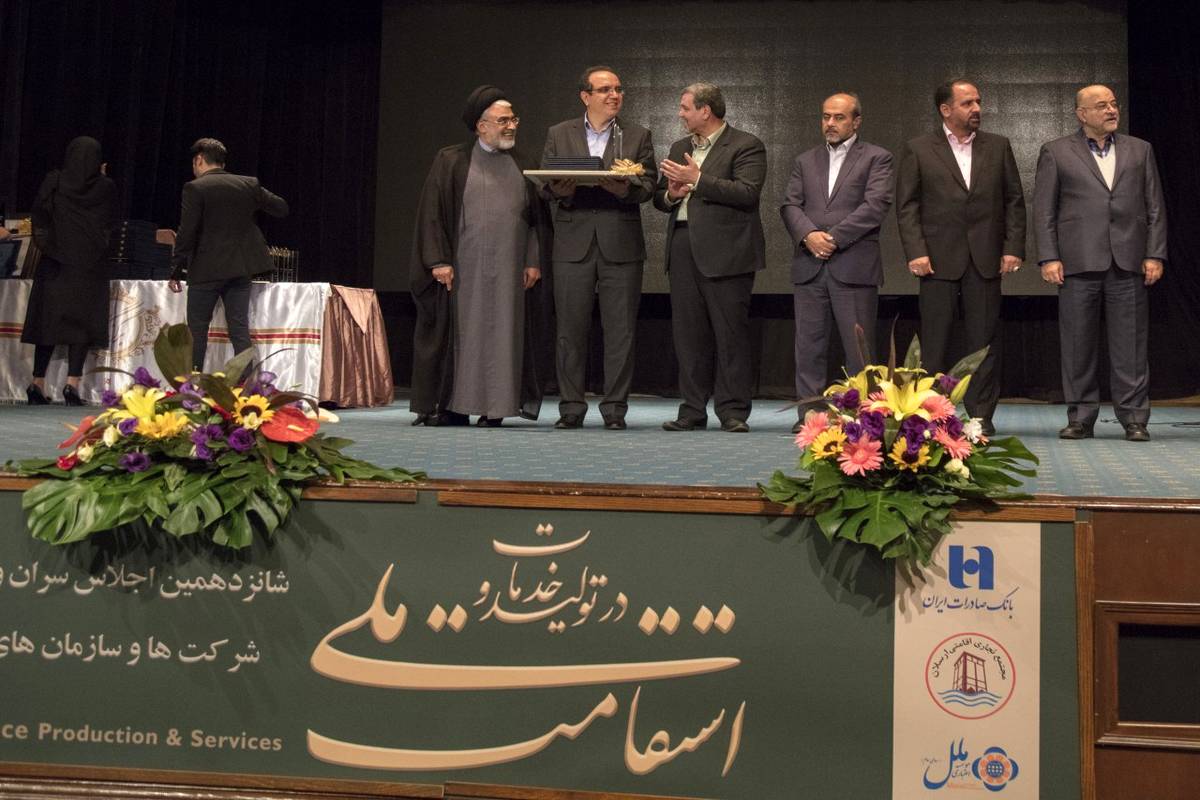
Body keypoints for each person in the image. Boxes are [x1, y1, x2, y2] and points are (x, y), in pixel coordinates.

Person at [408, 85, 549, 427]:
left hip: (510, 270)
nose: (511, 126)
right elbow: (431, 213)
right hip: (463, 270)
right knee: (464, 338)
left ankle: (496, 409)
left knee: (504, 337)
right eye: (503, 121)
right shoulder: (451, 160)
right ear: (481, 126)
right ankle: (454, 407)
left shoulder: (525, 163)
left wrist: (533, 260)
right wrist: (438, 260)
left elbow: (537, 220)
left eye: (513, 119)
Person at [1033, 85, 1167, 442]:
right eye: (1102, 105)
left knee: (1131, 345)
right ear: (1082, 114)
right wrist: (1049, 256)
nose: (1111, 110)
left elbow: (1155, 206)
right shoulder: (1056, 151)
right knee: (1077, 344)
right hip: (1077, 262)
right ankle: (1080, 417)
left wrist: (1154, 253)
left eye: (1114, 104)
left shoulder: (1140, 149)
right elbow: (1044, 210)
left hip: (1129, 261)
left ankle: (1134, 418)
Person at [896, 80, 1026, 436]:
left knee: (983, 342)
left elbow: (1014, 200)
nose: (976, 108)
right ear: (946, 109)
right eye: (967, 103)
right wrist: (916, 251)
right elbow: (907, 206)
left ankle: (981, 416)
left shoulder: (998, 146)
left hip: (985, 257)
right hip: (937, 260)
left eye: (978, 102)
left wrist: (1013, 247)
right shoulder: (919, 149)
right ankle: (930, 414)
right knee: (934, 342)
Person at [540, 66, 656, 430]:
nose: (614, 95)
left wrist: (625, 189)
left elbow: (649, 185)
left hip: (620, 243)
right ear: (585, 96)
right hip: (572, 243)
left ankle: (615, 410)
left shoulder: (637, 135)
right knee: (569, 330)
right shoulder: (559, 133)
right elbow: (543, 183)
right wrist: (558, 190)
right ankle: (571, 408)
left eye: (618, 89)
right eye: (605, 89)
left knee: (620, 331)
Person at [654, 82, 767, 432]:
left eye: (685, 108)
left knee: (730, 334)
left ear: (705, 111)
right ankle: (692, 409)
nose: (680, 114)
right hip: (683, 246)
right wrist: (672, 195)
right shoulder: (680, 147)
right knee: (688, 335)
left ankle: (732, 411)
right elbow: (660, 198)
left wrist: (698, 179)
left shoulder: (746, 145)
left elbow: (747, 193)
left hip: (727, 252)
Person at [780, 93, 894, 433]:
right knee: (808, 347)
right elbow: (790, 205)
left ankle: (860, 419)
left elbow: (875, 206)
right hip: (809, 265)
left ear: (856, 121)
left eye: (839, 117)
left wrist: (831, 238)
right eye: (826, 116)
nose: (830, 123)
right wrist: (809, 236)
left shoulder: (877, 158)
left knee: (859, 352)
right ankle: (810, 417)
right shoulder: (805, 160)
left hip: (853, 267)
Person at [168, 138, 288, 371]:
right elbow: (281, 208)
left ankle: (192, 384)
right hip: (240, 268)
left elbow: (187, 231)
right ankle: (246, 385)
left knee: (197, 331)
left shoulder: (195, 187)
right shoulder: (248, 184)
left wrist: (175, 268)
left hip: (206, 269)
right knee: (239, 329)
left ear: (199, 159)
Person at [22, 136, 117, 406]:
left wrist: (49, 245)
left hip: (55, 262)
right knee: (82, 324)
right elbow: (110, 223)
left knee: (47, 321)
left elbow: (39, 214)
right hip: (89, 264)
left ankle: (37, 382)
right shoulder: (105, 186)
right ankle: (71, 385)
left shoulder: (55, 180)